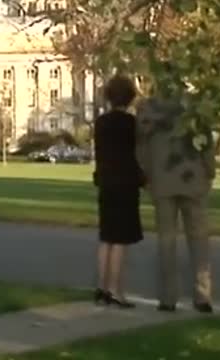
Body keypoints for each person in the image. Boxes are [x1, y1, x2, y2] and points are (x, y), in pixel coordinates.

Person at [136, 97, 216, 314]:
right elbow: (206, 142)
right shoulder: (195, 106)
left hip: (162, 179)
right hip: (193, 177)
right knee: (199, 239)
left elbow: (141, 147)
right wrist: (210, 171)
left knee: (167, 240)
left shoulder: (148, 109)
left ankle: (168, 297)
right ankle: (203, 295)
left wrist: (146, 175)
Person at [92, 75, 145, 308]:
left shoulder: (101, 122)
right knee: (120, 239)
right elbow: (135, 155)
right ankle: (115, 290)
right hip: (125, 184)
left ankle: (103, 288)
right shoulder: (131, 124)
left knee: (107, 237)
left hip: (106, 182)